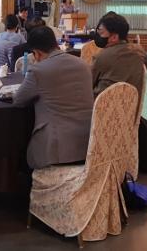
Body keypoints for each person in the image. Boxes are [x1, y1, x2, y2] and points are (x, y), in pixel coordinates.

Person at [13, 26, 94, 169]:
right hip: (89, 146)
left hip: (55, 151)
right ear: (55, 44)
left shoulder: (38, 70)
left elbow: (19, 100)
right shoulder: (83, 65)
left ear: (36, 53)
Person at [92, 12, 147, 100]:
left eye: (101, 32)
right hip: (132, 105)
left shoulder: (102, 56)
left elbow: (89, 83)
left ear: (114, 37)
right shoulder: (140, 53)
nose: (98, 35)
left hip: (101, 105)